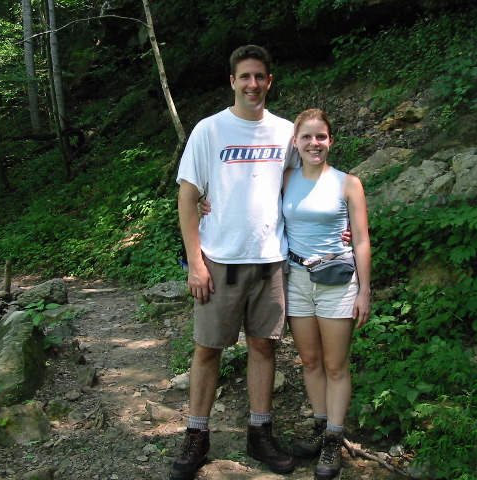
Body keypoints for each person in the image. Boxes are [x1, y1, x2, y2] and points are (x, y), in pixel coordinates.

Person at [169, 45, 298, 480]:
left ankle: (259, 432)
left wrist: (340, 223)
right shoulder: (209, 131)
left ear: (269, 81)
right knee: (208, 349)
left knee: (264, 346)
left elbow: (300, 189)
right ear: (232, 82)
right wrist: (195, 262)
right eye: (244, 76)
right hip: (219, 259)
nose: (253, 84)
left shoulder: (285, 132)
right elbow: (188, 198)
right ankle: (196, 434)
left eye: (260, 76)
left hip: (270, 257)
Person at [283, 109, 371, 480]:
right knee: (310, 361)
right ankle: (320, 427)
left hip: (337, 280)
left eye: (321, 136)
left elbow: (363, 239)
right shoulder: (285, 179)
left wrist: (365, 290)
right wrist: (205, 205)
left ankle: (335, 436)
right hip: (296, 278)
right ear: (296, 142)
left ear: (331, 140)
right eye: (307, 137)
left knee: (335, 365)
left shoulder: (348, 183)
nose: (314, 143)